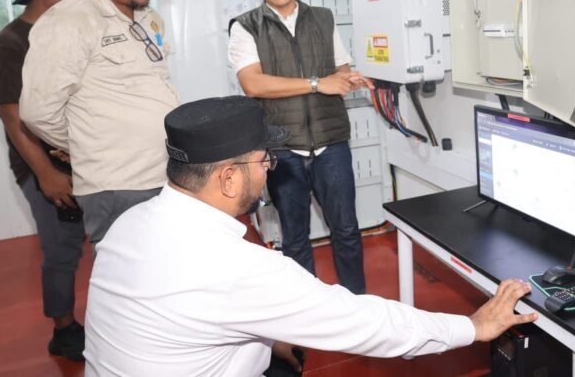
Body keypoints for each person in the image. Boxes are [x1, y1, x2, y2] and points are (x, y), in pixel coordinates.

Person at [83, 96, 538, 376]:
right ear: (228, 178)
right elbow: (364, 324)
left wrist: (270, 332)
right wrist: (473, 327)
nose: (269, 170)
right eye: (264, 160)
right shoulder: (234, 268)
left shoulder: (130, 223)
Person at [228, 0, 372, 294]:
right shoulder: (245, 26)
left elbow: (340, 67)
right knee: (295, 237)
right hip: (283, 149)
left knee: (347, 230)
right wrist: (317, 84)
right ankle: (305, 307)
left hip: (331, 142)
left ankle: (357, 303)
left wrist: (347, 78)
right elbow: (253, 83)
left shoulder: (323, 18)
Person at [20, 0, 178, 246]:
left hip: (165, 172)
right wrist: (85, 142)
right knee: (127, 272)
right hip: (117, 183)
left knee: (167, 266)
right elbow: (37, 111)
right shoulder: (69, 21)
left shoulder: (149, 17)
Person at [0, 0, 86, 361]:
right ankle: (64, 329)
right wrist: (46, 173)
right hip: (43, 166)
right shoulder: (8, 46)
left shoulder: (68, 34)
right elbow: (12, 118)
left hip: (84, 157)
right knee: (62, 250)